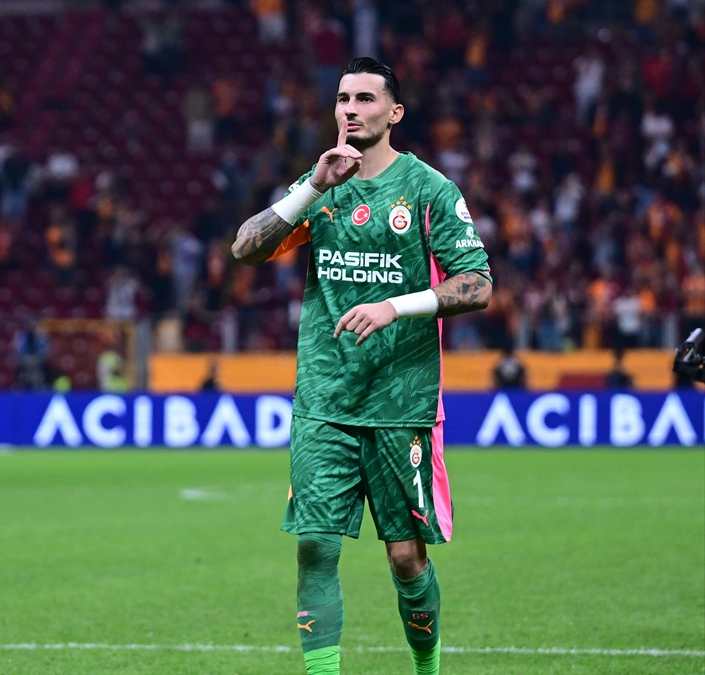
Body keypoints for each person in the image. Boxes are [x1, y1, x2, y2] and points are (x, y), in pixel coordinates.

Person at [231, 58, 493, 675]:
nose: (350, 108)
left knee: (405, 557)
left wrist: (394, 307)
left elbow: (478, 284)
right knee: (316, 546)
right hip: (325, 398)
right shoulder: (321, 184)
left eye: (366, 98)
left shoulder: (429, 189)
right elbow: (244, 249)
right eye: (343, 98)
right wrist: (313, 187)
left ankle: (426, 669)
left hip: (402, 401)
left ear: (394, 112)